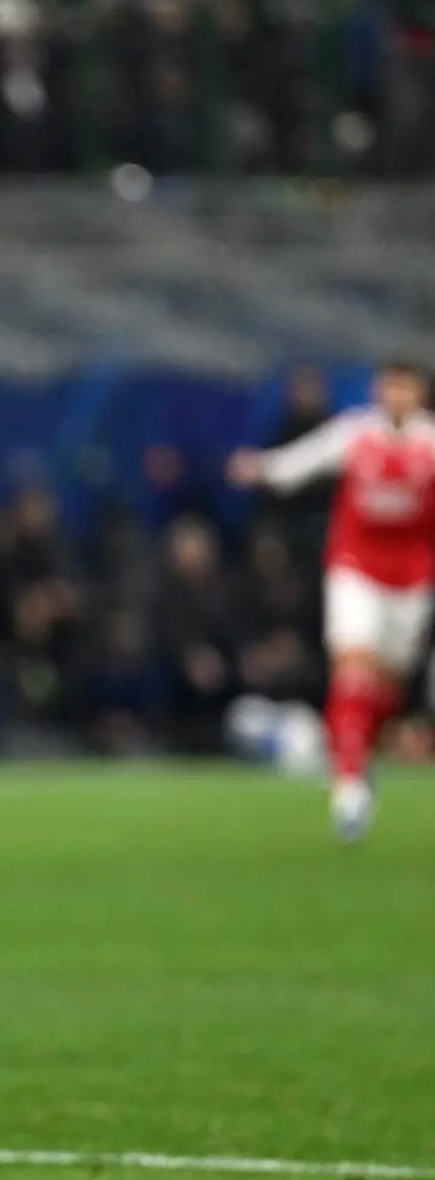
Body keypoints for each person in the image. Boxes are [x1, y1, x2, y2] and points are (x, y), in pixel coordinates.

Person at [228, 359, 435, 841]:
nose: (397, 396)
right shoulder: (355, 434)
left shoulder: (430, 442)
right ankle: (348, 787)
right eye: (390, 386)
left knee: (386, 689)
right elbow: (303, 460)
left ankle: (357, 756)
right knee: (352, 670)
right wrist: (261, 468)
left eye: (406, 387)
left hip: (411, 580)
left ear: (420, 394)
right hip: (354, 570)